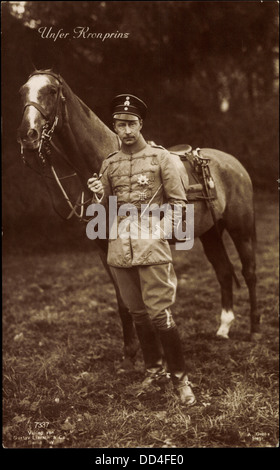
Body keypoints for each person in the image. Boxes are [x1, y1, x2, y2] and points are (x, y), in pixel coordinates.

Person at [87, 94, 196, 405]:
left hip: (152, 247)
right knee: (137, 313)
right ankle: (154, 371)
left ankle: (180, 379)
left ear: (141, 124)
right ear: (115, 127)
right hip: (120, 250)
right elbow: (104, 211)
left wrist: (160, 232)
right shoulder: (109, 164)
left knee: (159, 314)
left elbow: (179, 204)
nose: (127, 130)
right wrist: (98, 194)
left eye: (132, 123)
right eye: (121, 125)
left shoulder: (163, 160)